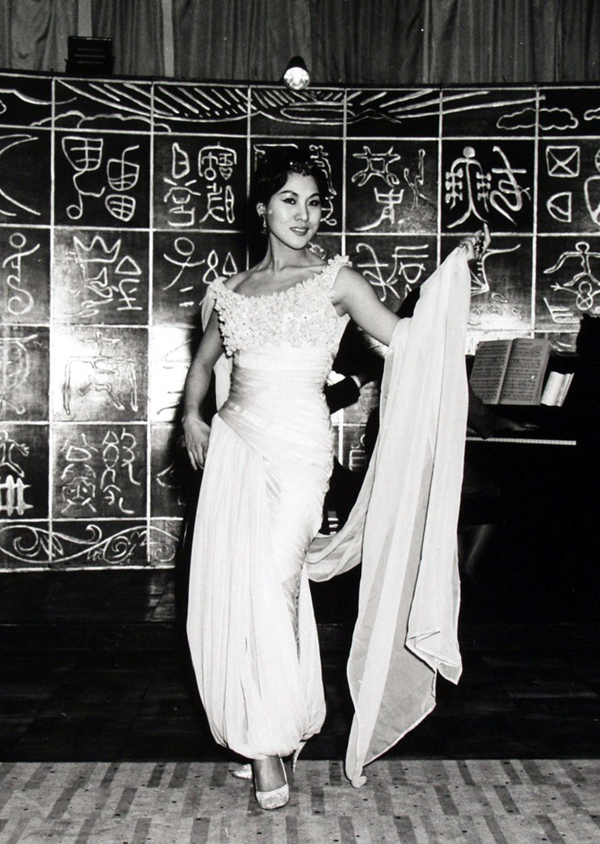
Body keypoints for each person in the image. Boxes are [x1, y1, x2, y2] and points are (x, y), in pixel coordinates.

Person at [182, 147, 487, 810]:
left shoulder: (336, 280)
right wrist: (192, 417)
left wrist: (450, 286)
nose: (304, 214)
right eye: (289, 200)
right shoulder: (230, 291)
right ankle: (269, 734)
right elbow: (204, 363)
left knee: (272, 581)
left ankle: (265, 741)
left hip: (298, 452)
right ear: (262, 208)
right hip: (236, 447)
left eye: (315, 202)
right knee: (243, 588)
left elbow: (406, 339)